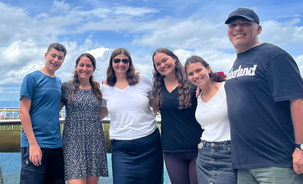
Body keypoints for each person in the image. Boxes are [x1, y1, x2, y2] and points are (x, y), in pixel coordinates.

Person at [224, 7, 303, 183]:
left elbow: (297, 100)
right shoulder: (237, 63)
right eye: (233, 24)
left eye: (245, 24)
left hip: (276, 161)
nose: (237, 28)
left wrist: (301, 147)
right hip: (245, 163)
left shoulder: (273, 55)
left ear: (258, 29)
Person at [100, 48, 163, 184]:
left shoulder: (143, 80)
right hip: (121, 148)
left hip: (149, 144)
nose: (121, 64)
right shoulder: (105, 89)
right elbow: (99, 114)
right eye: (117, 60)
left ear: (130, 63)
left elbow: (157, 105)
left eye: (125, 60)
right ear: (111, 63)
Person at [151, 48, 202, 184]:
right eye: (158, 64)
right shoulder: (157, 88)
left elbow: (214, 83)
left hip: (198, 147)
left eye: (164, 60)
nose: (162, 65)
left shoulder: (193, 82)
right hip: (171, 150)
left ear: (174, 58)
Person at [19, 42, 67, 184]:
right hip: (35, 144)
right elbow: (23, 111)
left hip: (56, 145)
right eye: (53, 56)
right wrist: (33, 144)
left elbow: (54, 108)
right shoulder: (31, 78)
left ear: (63, 61)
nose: (55, 60)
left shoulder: (59, 83)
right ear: (46, 55)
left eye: (60, 58)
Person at [185, 55, 236, 184]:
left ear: (208, 68)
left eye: (198, 70)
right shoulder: (198, 96)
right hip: (204, 153)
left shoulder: (227, 88)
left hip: (228, 152)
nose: (195, 76)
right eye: (191, 74)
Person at [60, 53, 108, 184]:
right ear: (76, 67)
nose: (84, 69)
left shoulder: (97, 88)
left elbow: (101, 113)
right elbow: (53, 110)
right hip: (73, 142)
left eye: (88, 66)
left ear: (93, 68)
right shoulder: (66, 87)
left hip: (94, 141)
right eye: (81, 65)